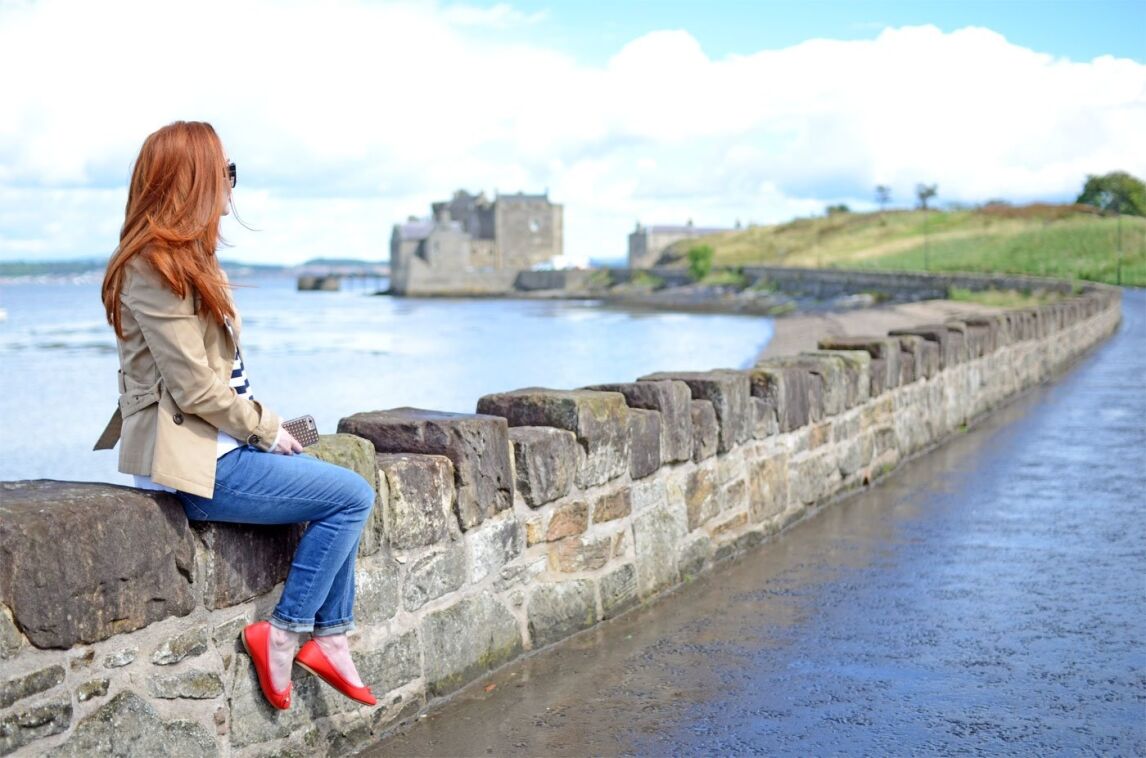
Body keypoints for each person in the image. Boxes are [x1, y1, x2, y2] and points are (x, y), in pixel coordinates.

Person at [94, 121, 376, 710]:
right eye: (225, 171)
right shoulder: (151, 267)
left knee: (332, 474)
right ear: (192, 178)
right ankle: (288, 633)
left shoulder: (191, 261)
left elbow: (226, 377)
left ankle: (330, 639)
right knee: (351, 496)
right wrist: (266, 429)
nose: (231, 184)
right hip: (197, 466)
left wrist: (267, 431)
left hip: (226, 448)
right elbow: (195, 388)